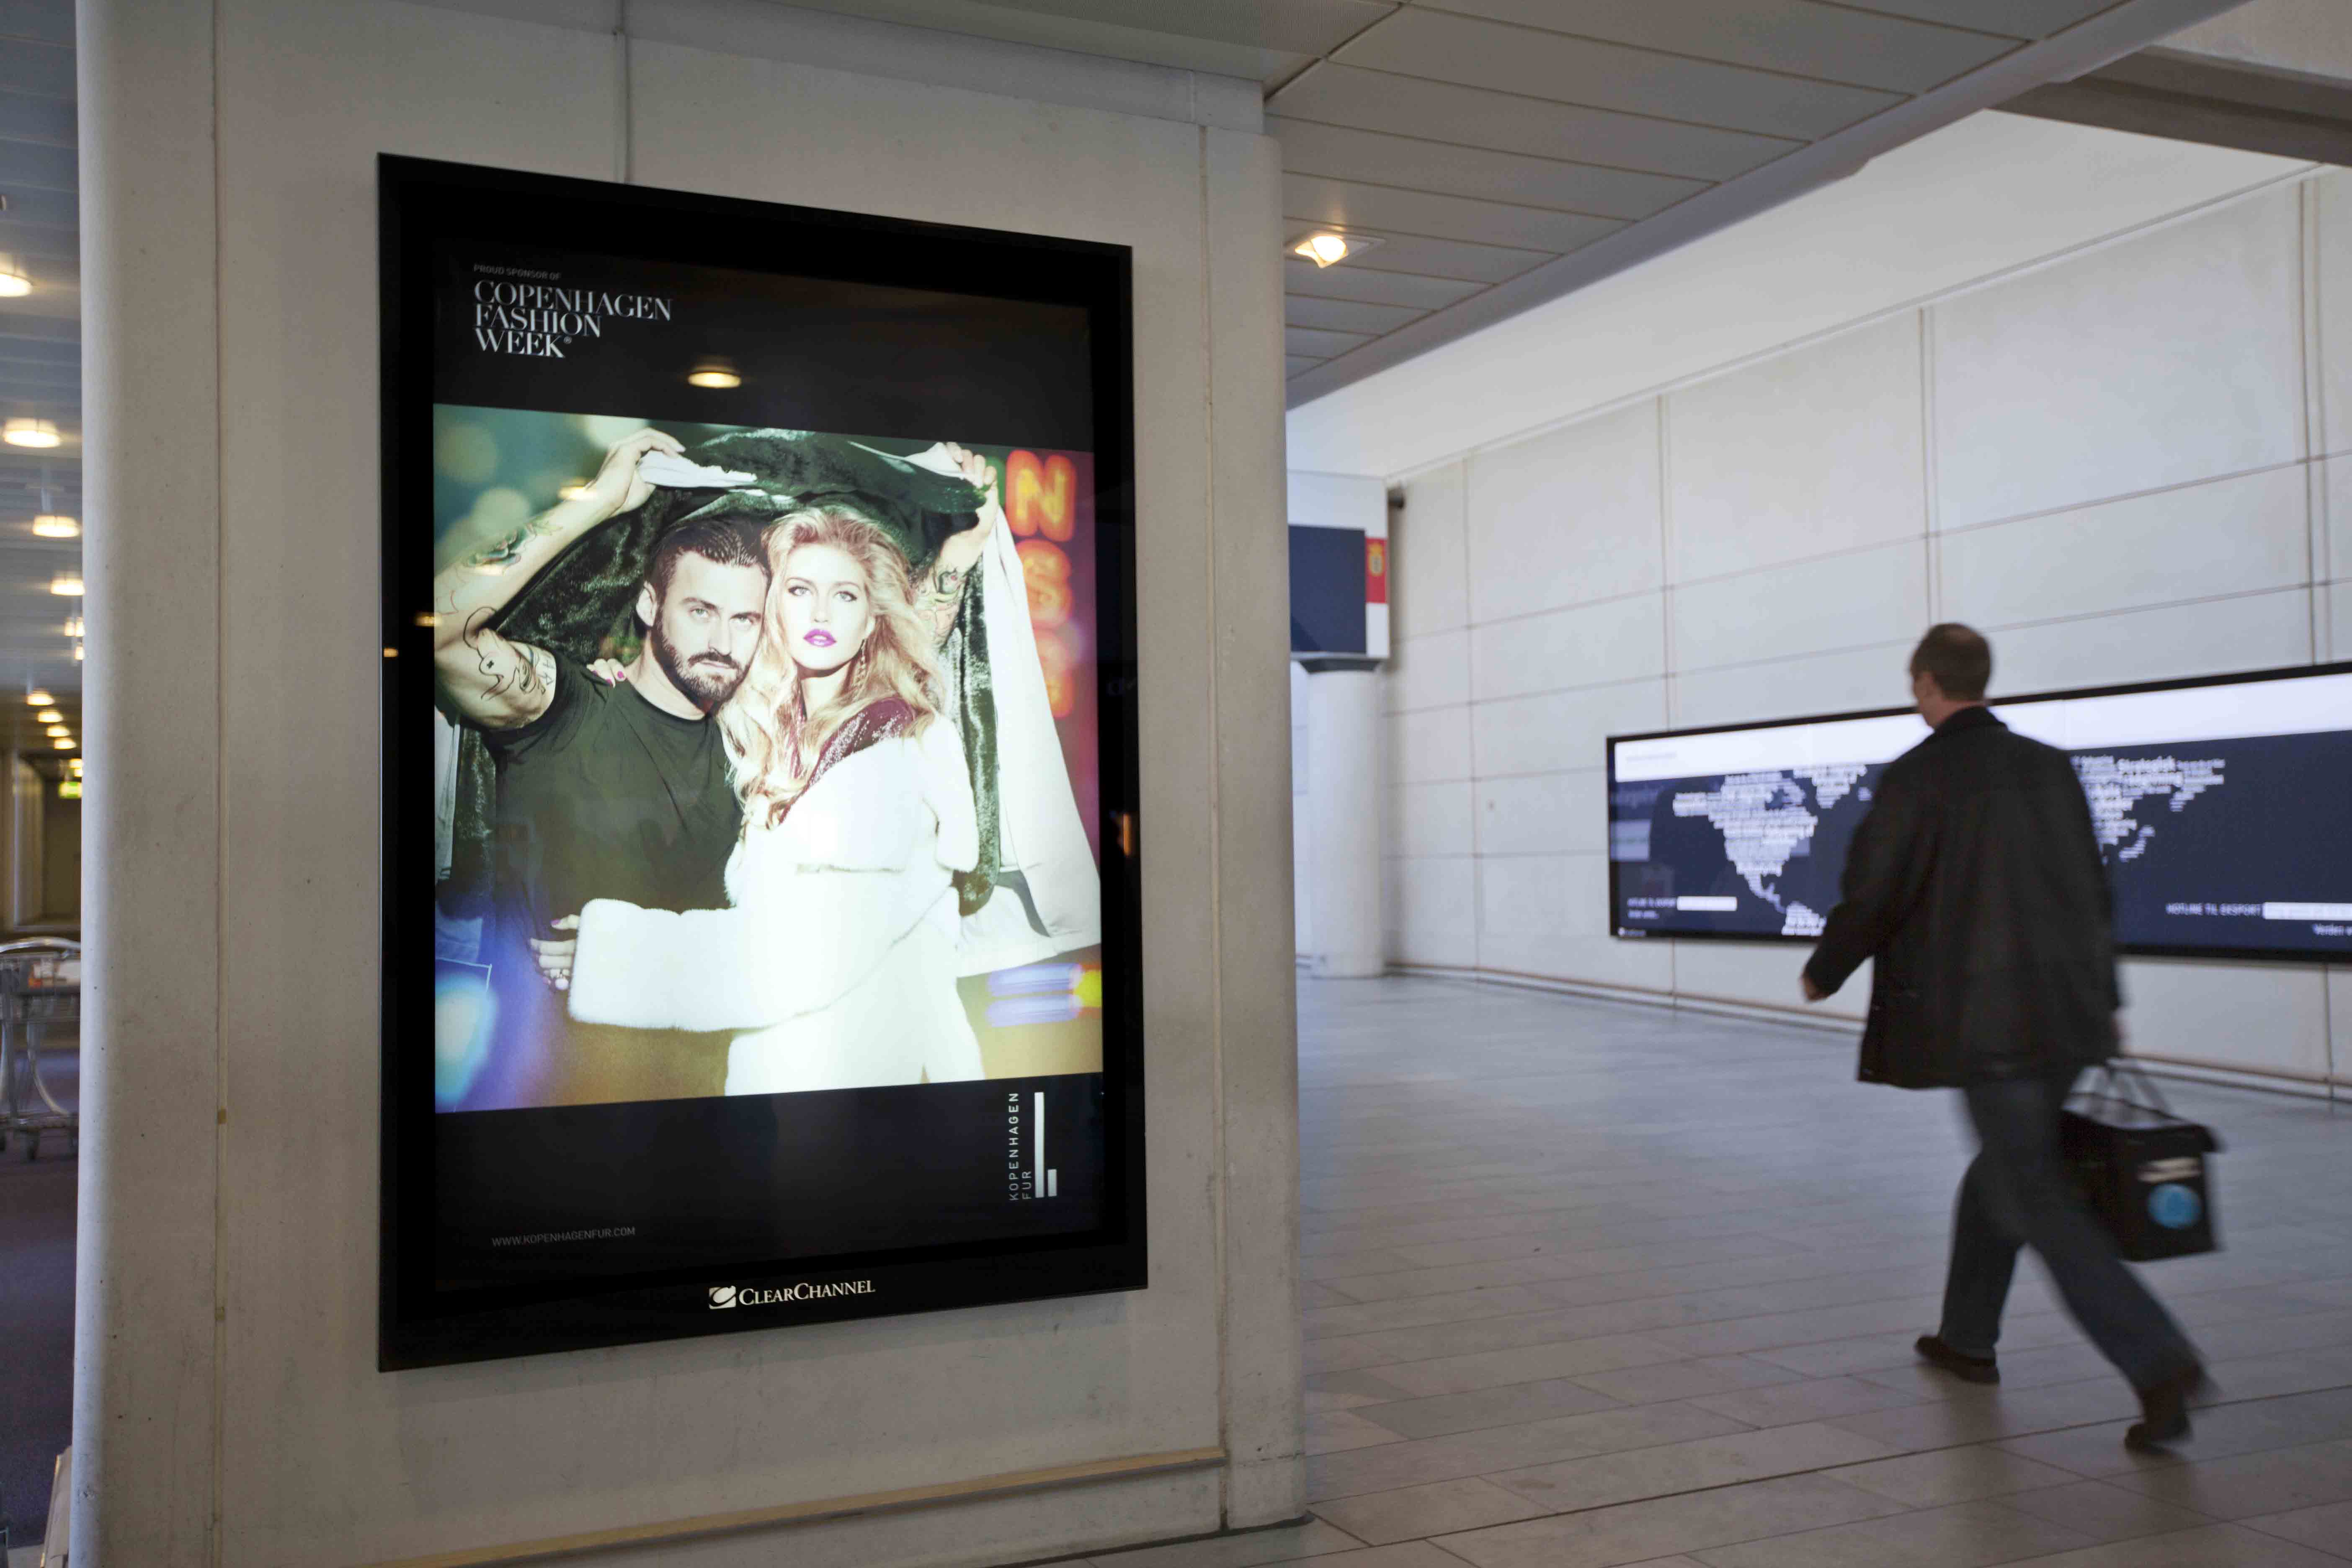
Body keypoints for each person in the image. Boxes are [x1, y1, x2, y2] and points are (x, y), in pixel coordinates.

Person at [1800, 623, 2205, 1451]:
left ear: (1924, 684)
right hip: (2068, 1014)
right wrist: (2108, 999)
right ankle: (1966, 1338)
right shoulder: (2049, 768)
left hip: (1989, 1027)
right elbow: (2094, 892)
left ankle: (2159, 1361)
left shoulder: (1921, 778)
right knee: (2006, 1173)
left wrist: (1827, 967)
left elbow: (1875, 891)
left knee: (2036, 1194)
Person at [549, 506, 985, 1094]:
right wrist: (632, 673)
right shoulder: (775, 735)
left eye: (847, 596)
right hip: (794, 1081)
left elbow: (804, 957)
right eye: (801, 590)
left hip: (867, 1086)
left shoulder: (893, 754)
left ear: (870, 622)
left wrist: (615, 958)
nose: (823, 613)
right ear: (773, 610)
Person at [430, 428, 769, 1107]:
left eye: (745, 620)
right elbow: (440, 631)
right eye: (701, 611)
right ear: (650, 603)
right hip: (540, 1108)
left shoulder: (758, 753)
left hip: (707, 1119)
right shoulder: (568, 709)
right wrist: (599, 502)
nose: (723, 643)